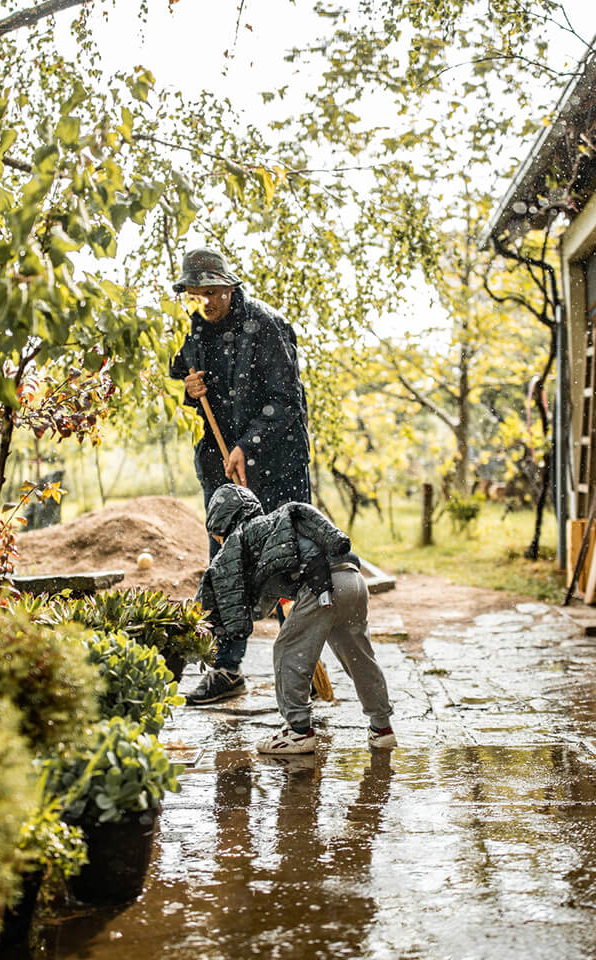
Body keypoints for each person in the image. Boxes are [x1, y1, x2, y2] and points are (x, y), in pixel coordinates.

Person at [169, 247, 311, 702]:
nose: (205, 302)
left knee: (286, 562)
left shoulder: (266, 326)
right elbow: (185, 372)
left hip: (276, 467)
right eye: (197, 294)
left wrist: (246, 447)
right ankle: (227, 669)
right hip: (222, 470)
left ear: (230, 287)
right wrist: (192, 390)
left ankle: (301, 672)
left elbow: (286, 403)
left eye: (212, 292)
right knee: (226, 565)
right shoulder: (195, 328)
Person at [195, 484, 396, 753]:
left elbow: (223, 581)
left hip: (321, 587)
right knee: (359, 657)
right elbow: (267, 598)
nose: (219, 541)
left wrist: (222, 623)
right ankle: (382, 727)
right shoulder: (275, 527)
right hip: (353, 579)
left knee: (288, 650)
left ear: (223, 522)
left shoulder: (239, 539)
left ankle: (298, 731)